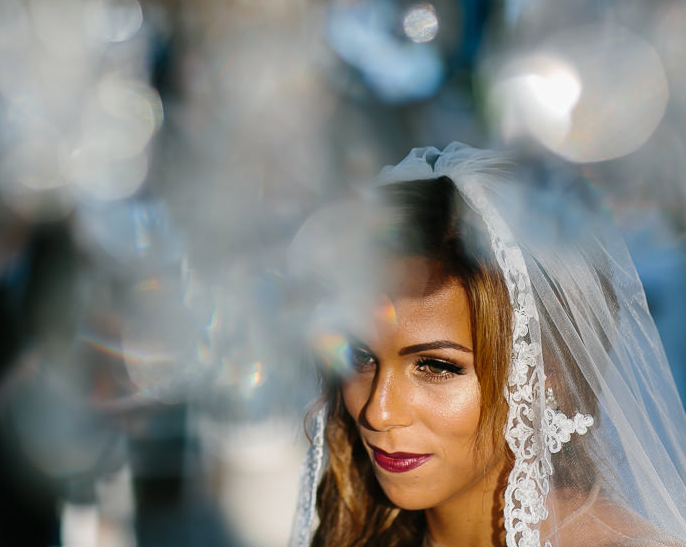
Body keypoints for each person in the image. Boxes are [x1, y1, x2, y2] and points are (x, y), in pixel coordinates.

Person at [288, 144, 686, 547]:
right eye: (361, 356)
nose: (378, 411)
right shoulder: (356, 532)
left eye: (436, 366)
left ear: (545, 374)